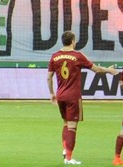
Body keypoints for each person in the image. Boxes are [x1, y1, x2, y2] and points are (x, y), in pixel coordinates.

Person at [49, 30, 119, 165]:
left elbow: (49, 77)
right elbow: (96, 69)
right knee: (72, 127)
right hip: (73, 96)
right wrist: (109, 70)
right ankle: (69, 158)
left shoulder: (55, 56)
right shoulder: (78, 56)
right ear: (73, 41)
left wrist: (52, 93)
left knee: (65, 123)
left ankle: (65, 149)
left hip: (60, 95)